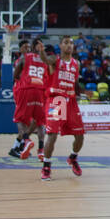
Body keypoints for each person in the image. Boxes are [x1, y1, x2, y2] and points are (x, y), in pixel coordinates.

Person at [41, 37, 84, 180]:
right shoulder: (55, 60)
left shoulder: (76, 63)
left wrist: (82, 92)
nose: (69, 45)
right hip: (56, 100)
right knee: (52, 135)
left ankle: (73, 158)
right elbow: (46, 60)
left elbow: (75, 82)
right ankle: (46, 166)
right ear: (60, 45)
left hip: (71, 101)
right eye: (66, 43)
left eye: (71, 43)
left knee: (80, 135)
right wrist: (41, 51)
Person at [10, 39, 48, 160]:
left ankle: (22, 144)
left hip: (25, 90)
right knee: (38, 122)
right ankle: (39, 149)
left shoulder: (24, 58)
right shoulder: (46, 60)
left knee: (24, 121)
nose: (26, 49)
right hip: (39, 91)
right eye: (24, 47)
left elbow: (15, 76)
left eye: (28, 46)